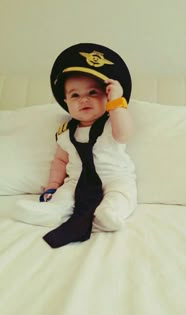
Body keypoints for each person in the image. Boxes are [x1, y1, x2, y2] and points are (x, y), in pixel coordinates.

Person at [15, 43, 137, 246]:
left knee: (121, 195)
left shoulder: (112, 121)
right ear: (65, 101)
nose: (84, 100)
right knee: (64, 196)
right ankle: (51, 212)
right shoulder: (65, 132)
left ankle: (108, 214)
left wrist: (117, 103)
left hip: (115, 176)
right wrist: (53, 185)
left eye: (93, 93)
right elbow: (60, 160)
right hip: (78, 181)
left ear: (107, 96)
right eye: (75, 95)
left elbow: (123, 135)